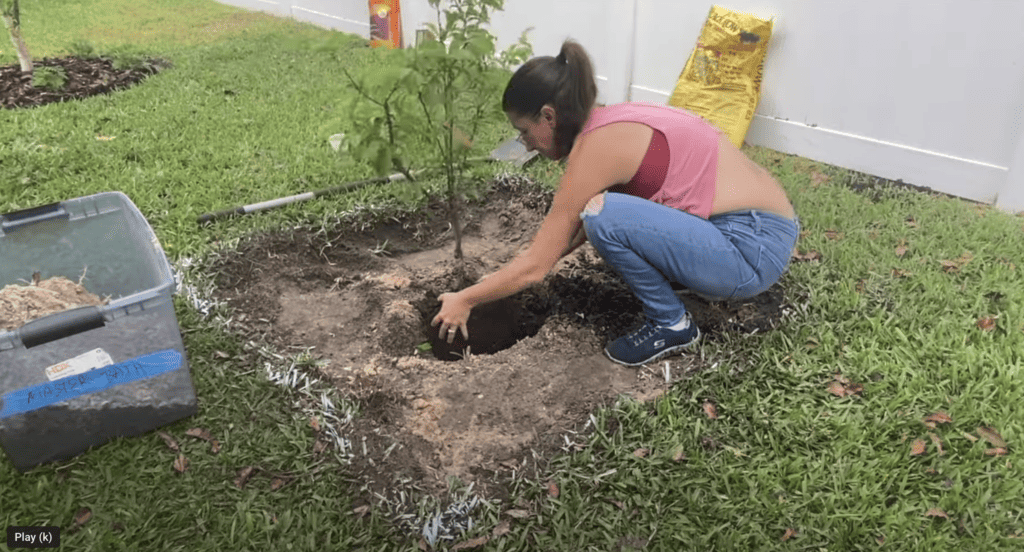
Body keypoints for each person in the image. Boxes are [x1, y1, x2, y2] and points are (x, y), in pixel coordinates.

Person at [431, 39, 799, 366]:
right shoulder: (613, 121)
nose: (525, 144)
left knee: (602, 213)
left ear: (549, 116)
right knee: (602, 215)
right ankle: (688, 277)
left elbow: (539, 263)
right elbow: (567, 240)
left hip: (748, 249)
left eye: (524, 131)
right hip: (761, 232)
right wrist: (502, 281)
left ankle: (671, 323)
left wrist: (465, 299)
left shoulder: (595, 150)